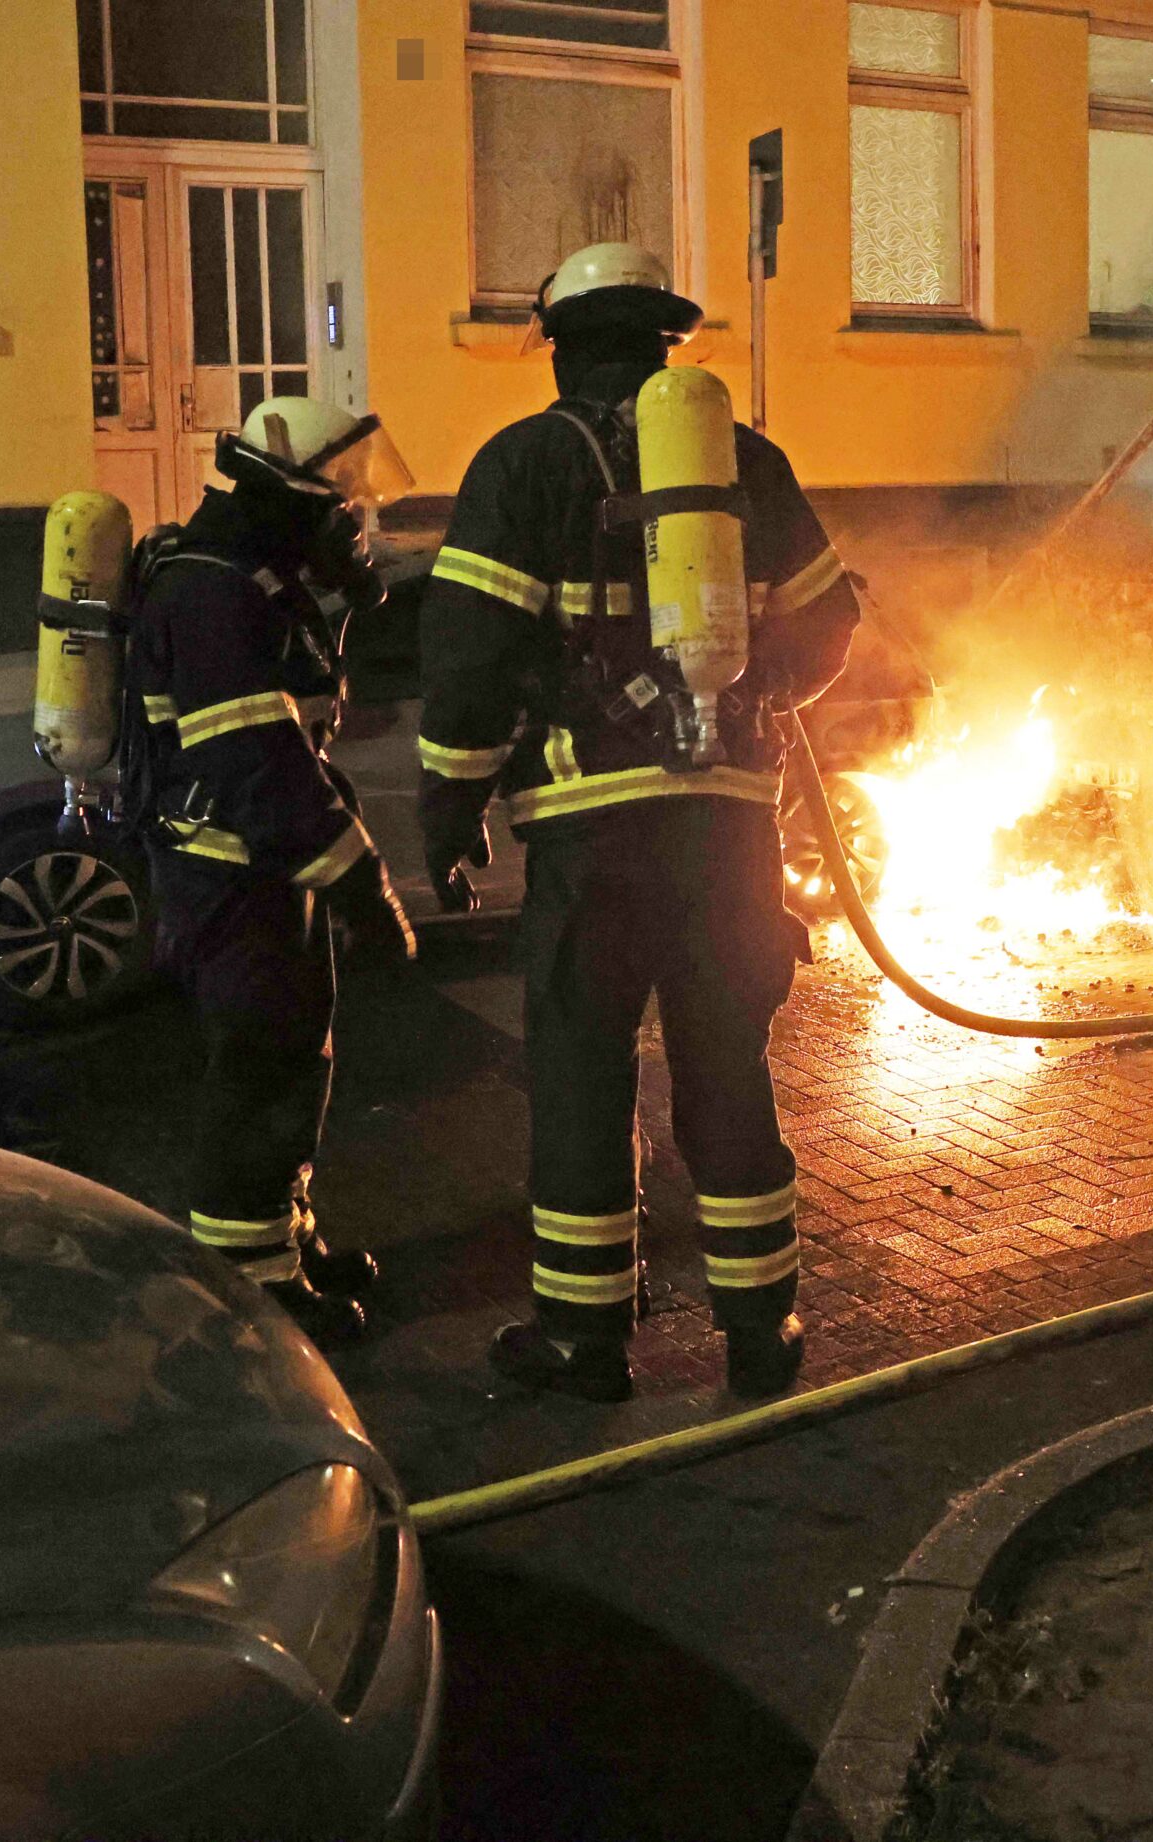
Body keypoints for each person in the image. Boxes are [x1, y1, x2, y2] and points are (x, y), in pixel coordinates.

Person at [418, 242, 860, 1404]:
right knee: (728, 1067)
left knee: (579, 1079)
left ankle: (582, 1342)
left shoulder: (520, 469)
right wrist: (752, 699)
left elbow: (468, 657)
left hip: (587, 839)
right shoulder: (748, 465)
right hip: (726, 839)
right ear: (667, 343)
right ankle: (765, 1326)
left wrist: (449, 805)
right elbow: (831, 625)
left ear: (559, 348)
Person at [124, 396, 422, 1345]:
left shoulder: (245, 580)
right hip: (233, 878)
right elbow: (259, 761)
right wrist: (360, 882)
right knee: (258, 1072)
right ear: (285, 498)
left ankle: (282, 1238)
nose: (352, 521)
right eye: (338, 505)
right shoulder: (210, 595)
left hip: (263, 874)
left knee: (296, 1060)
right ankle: (251, 1294)